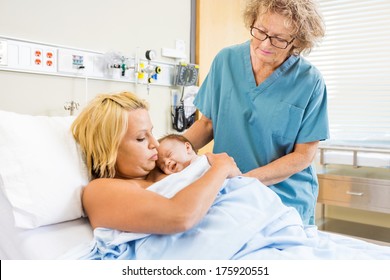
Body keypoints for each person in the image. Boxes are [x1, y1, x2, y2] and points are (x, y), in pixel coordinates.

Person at [184, 0, 329, 225]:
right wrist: (167, 148)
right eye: (260, 31)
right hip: (231, 193)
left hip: (284, 198)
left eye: (279, 38)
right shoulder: (227, 60)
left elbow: (303, 156)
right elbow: (207, 124)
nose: (265, 43)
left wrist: (243, 180)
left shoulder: (310, 81)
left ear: (297, 42)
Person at [71, 91, 241, 234]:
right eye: (141, 138)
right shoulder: (99, 191)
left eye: (152, 133)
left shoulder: (167, 168)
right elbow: (180, 217)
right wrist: (221, 167)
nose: (155, 144)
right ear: (109, 151)